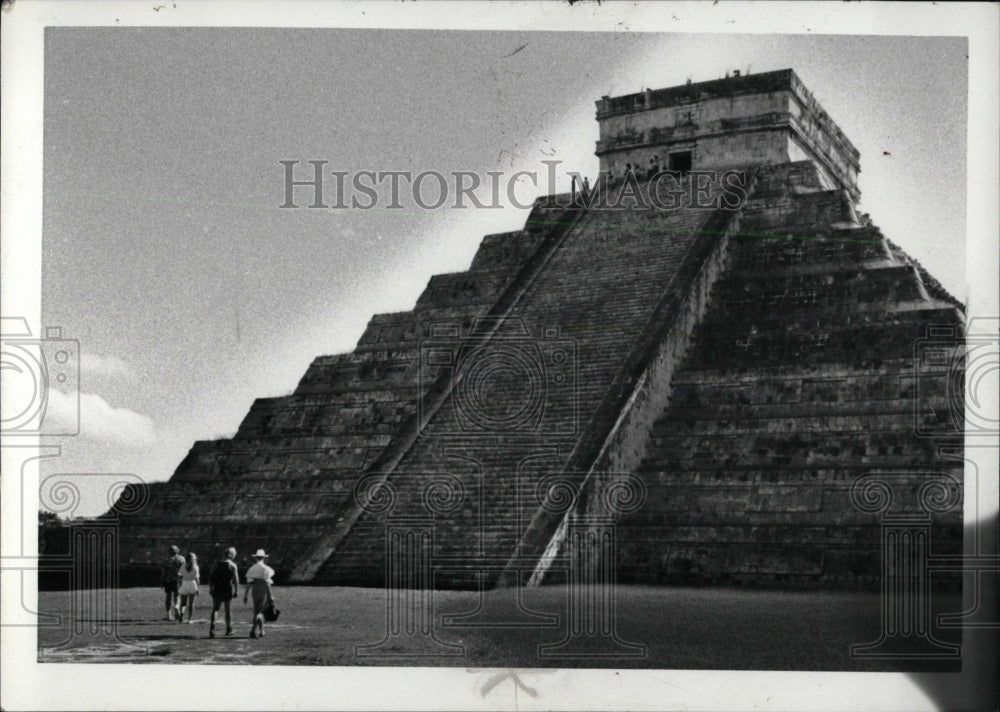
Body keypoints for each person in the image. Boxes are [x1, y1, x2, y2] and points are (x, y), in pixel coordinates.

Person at [244, 549, 275, 639]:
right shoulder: (265, 569)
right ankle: (254, 630)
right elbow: (267, 584)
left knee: (257, 609)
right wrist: (270, 596)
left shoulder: (252, 568)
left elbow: (249, 583)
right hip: (263, 589)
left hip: (255, 590)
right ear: (263, 558)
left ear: (256, 558)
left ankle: (260, 630)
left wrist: (246, 595)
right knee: (261, 611)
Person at [208, 547, 239, 638]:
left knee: (215, 609)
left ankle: (212, 628)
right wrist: (236, 590)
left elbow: (210, 576)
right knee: (227, 610)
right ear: (232, 555)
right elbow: (236, 579)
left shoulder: (216, 564)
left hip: (217, 588)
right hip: (227, 588)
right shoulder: (232, 565)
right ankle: (228, 628)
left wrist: (210, 588)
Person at [161, 545, 184, 621]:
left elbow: (163, 572)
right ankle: (177, 606)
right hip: (177, 580)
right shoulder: (181, 559)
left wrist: (162, 581)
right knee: (177, 595)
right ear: (177, 551)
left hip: (168, 580)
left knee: (168, 596)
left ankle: (168, 615)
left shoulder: (166, 560)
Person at [177, 552, 200, 624]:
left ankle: (182, 614)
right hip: (192, 583)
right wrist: (198, 588)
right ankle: (189, 619)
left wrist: (180, 583)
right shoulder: (196, 567)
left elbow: (179, 575)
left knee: (183, 602)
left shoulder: (183, 565)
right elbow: (197, 579)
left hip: (184, 583)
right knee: (191, 603)